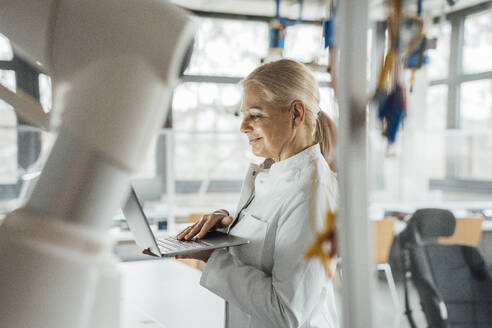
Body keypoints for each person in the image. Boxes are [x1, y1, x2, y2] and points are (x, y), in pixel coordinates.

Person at [176, 58, 338, 328]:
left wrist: (212, 258)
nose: (243, 127)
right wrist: (225, 224)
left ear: (296, 114)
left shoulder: (314, 195)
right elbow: (267, 241)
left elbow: (287, 311)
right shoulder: (276, 175)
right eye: (243, 116)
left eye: (255, 115)